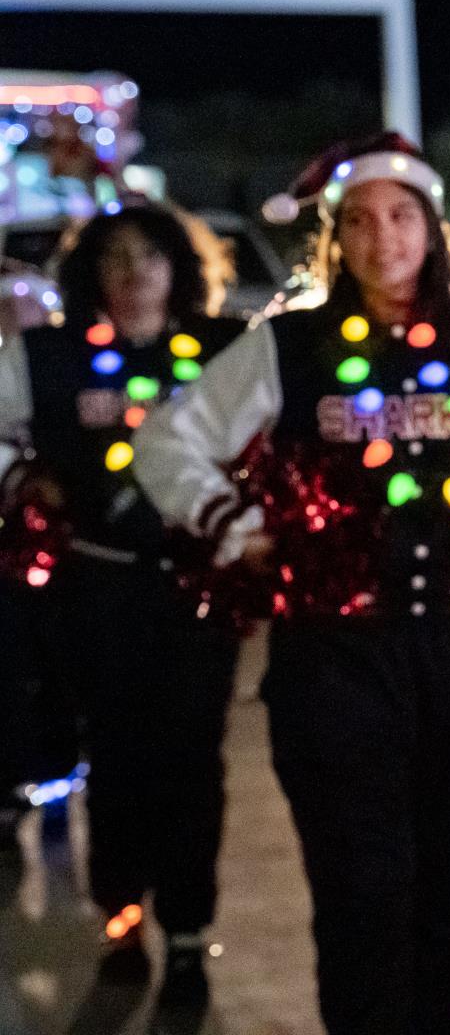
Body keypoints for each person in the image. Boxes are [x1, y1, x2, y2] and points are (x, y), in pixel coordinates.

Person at [131, 134, 450, 1034]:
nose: (383, 238)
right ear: (335, 240)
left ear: (433, 231)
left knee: (449, 879)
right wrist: (235, 529)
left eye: (402, 217)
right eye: (358, 221)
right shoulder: (286, 345)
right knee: (360, 885)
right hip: (332, 658)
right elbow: (169, 440)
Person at [0, 203, 246, 1007]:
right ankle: (122, 922)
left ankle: (185, 936)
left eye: (151, 256)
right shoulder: (47, 356)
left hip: (197, 593)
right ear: (91, 275)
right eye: (116, 259)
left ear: (179, 267)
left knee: (191, 763)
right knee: (115, 760)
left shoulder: (226, 353)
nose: (135, 272)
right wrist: (18, 481)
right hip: (96, 590)